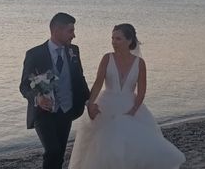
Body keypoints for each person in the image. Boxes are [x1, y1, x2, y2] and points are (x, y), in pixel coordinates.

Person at [69, 23, 186, 169]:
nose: (114, 42)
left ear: (129, 41)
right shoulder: (107, 58)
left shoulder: (139, 63)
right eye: (112, 38)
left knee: (132, 147)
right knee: (104, 146)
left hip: (130, 105)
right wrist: (91, 104)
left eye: (118, 39)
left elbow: (142, 91)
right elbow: (98, 83)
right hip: (107, 105)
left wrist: (134, 110)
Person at [20, 12, 90, 169]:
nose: (74, 35)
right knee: (52, 150)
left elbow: (79, 78)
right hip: (42, 112)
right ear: (57, 30)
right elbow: (24, 86)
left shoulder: (74, 51)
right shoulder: (34, 54)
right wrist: (37, 97)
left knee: (59, 155)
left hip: (66, 110)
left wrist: (89, 100)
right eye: (70, 31)